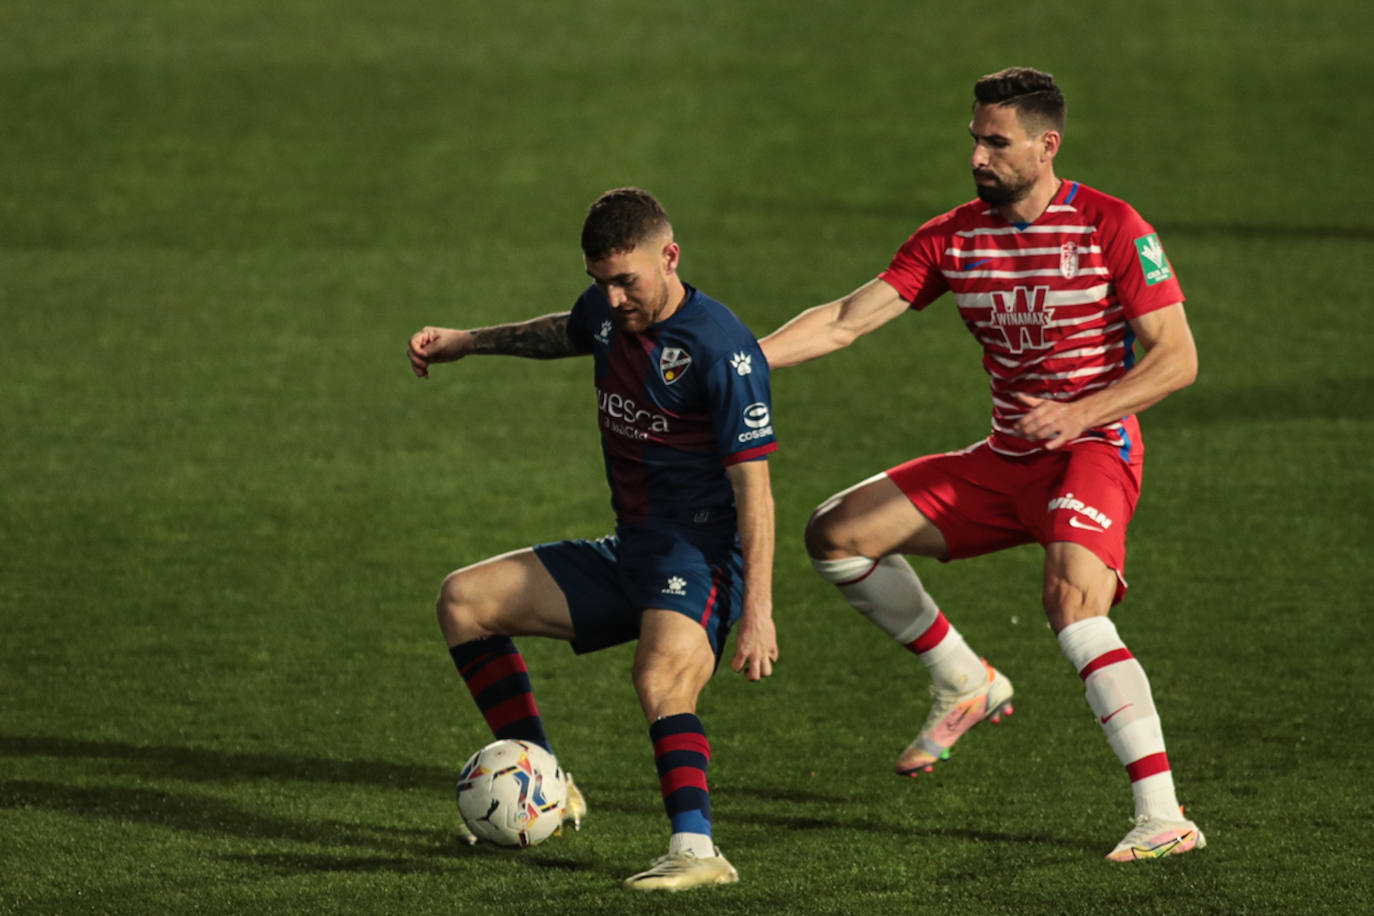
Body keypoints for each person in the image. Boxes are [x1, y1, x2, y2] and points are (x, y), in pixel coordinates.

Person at [759, 67, 1203, 862]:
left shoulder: (1111, 226)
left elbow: (1176, 360)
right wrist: (741, 363)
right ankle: (964, 679)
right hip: (1005, 460)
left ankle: (1163, 816)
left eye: (996, 142)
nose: (977, 156)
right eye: (974, 138)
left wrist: (1078, 412)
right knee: (836, 534)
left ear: (1046, 145)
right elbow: (843, 320)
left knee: (1072, 604)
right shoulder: (952, 237)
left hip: (1093, 451)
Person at [406, 187, 779, 890]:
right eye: (599, 282)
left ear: (669, 257)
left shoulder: (721, 349)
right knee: (464, 600)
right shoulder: (610, 314)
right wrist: (468, 342)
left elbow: (754, 490)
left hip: (699, 561)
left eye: (625, 281)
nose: (611, 298)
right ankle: (547, 782)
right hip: (630, 549)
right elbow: (563, 330)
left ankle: (698, 852)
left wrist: (757, 610)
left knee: (659, 675)